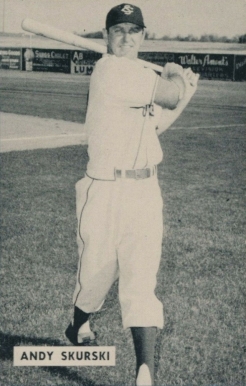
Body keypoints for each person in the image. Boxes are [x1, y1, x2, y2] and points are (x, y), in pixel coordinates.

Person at [65, 3, 199, 385]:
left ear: (143, 36)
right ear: (107, 36)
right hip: (104, 189)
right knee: (95, 277)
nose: (126, 37)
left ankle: (145, 373)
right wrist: (178, 79)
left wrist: (184, 91)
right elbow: (169, 95)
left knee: (141, 280)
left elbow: (158, 122)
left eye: (133, 31)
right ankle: (78, 325)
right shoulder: (110, 70)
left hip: (144, 191)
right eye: (118, 30)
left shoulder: (137, 74)